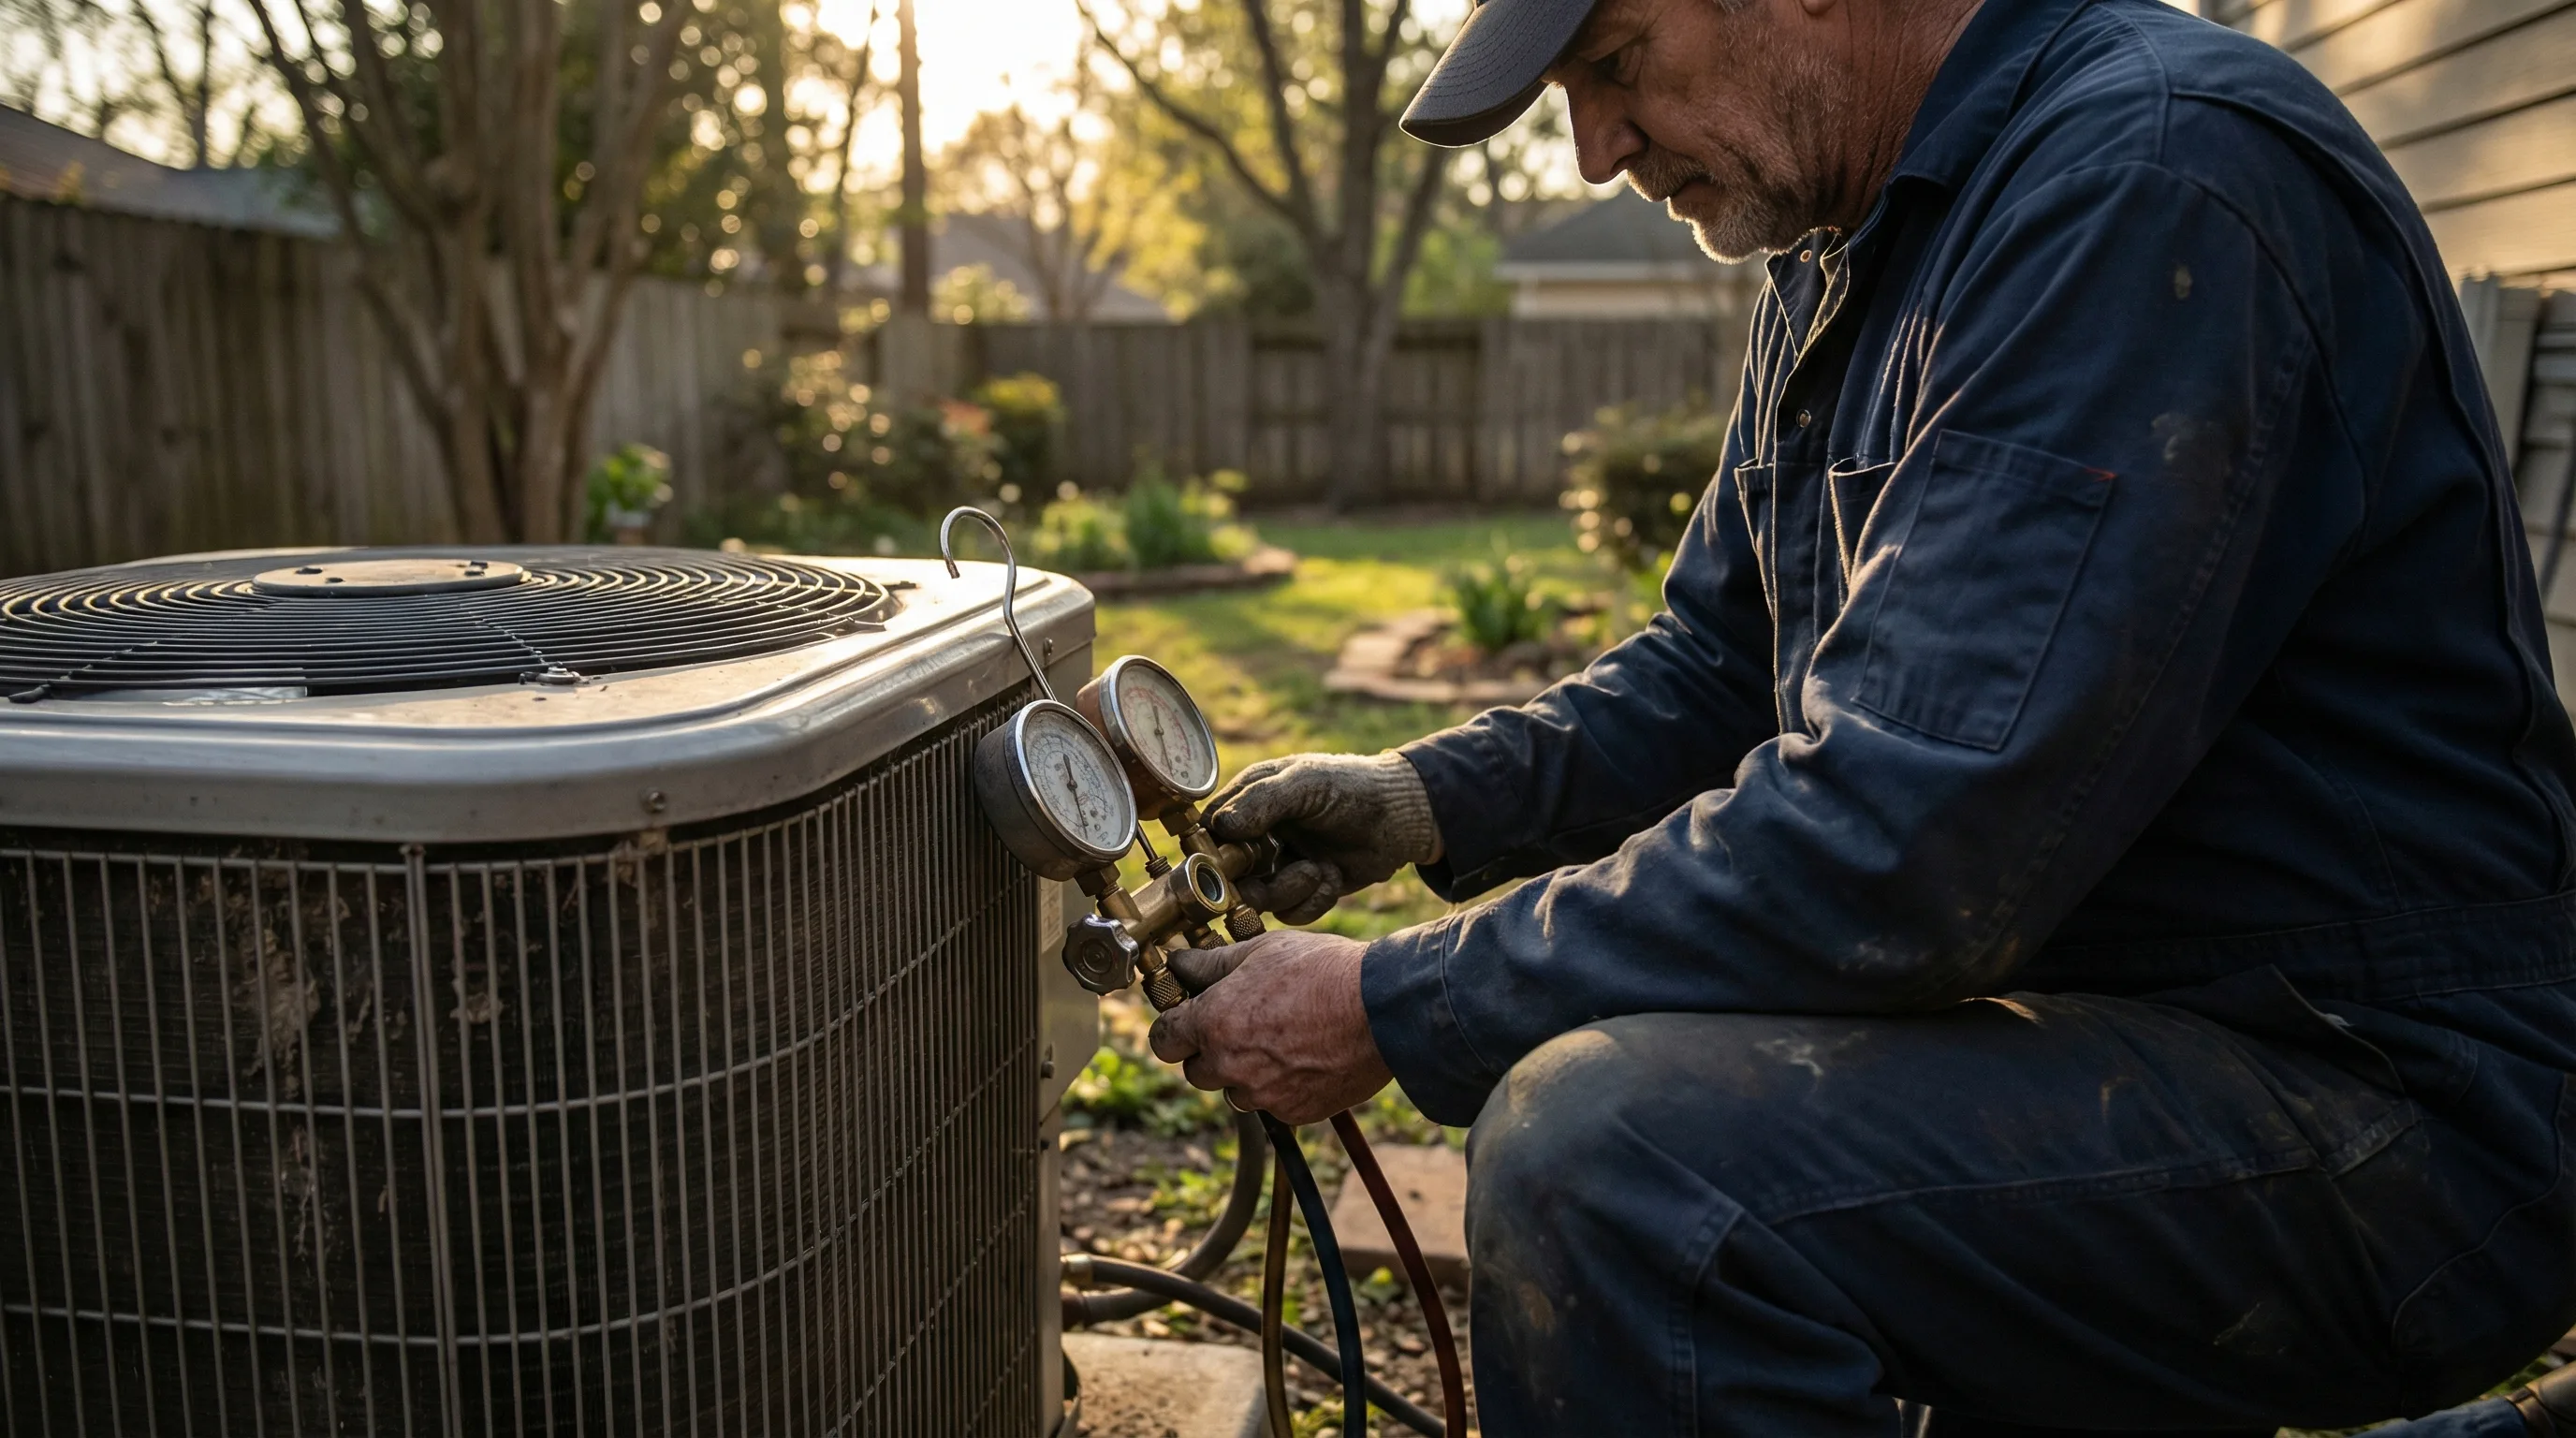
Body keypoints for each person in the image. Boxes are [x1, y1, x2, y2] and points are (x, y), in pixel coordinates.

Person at [1141, 0, 2576, 1431]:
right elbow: (1720, 667)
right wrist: (1429, 799)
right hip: (2138, 1024)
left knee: (1620, 1164)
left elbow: (1916, 843)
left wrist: (1397, 1003)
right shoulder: (1849, 247)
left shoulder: (2143, 183)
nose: (1592, 152)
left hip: (2389, 1102)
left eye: (1618, 65)